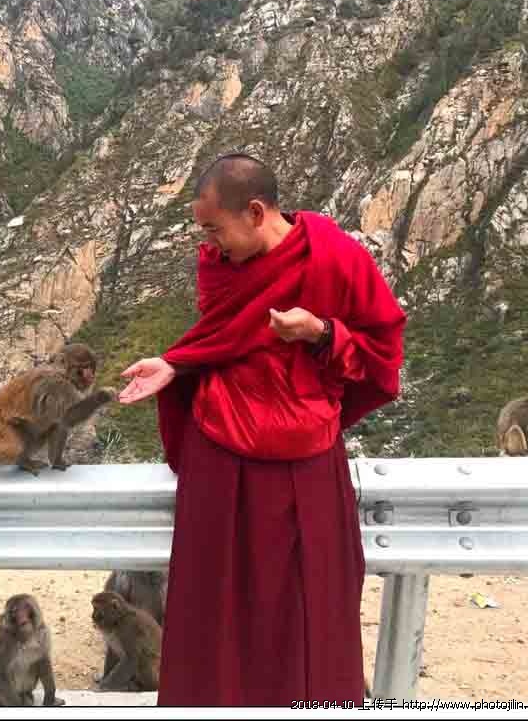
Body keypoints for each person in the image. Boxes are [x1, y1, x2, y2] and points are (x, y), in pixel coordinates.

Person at [118, 152, 406, 707]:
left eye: (213, 228)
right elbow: (221, 340)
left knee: (311, 614)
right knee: (211, 615)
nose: (209, 243)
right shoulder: (221, 266)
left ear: (254, 212)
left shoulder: (336, 258)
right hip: (220, 454)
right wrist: (176, 364)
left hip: (307, 458)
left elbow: (382, 357)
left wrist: (321, 332)